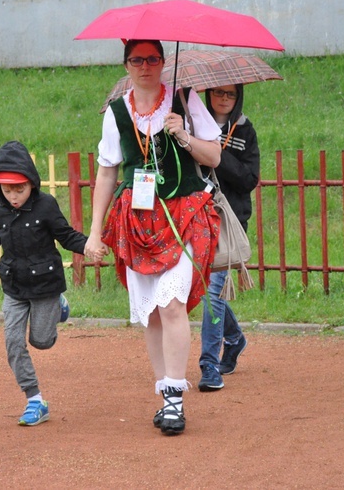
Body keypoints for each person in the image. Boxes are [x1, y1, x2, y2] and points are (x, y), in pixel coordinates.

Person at [85, 39, 222, 435]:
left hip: (184, 216)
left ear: (163, 62)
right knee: (152, 312)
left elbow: (213, 157)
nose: (145, 66)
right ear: (126, 64)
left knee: (173, 304)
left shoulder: (185, 99)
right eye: (136, 59)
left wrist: (183, 134)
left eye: (152, 58)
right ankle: (165, 394)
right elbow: (107, 172)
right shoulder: (115, 113)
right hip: (138, 222)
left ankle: (176, 400)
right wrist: (95, 232)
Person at [0, 140, 90, 426]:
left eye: (19, 189)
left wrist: (89, 246)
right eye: (7, 190)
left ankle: (59, 306)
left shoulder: (46, 205)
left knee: (42, 341)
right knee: (13, 342)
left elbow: (66, 235)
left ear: (32, 184)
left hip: (46, 285)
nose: (13, 196)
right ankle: (35, 400)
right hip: (14, 285)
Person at [197, 84, 260, 392]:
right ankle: (234, 338)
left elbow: (250, 179)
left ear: (238, 98)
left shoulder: (245, 131)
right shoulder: (193, 125)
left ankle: (209, 364)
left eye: (230, 94)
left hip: (228, 222)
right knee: (202, 288)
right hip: (195, 218)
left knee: (211, 290)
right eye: (218, 92)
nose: (223, 99)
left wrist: (218, 156)